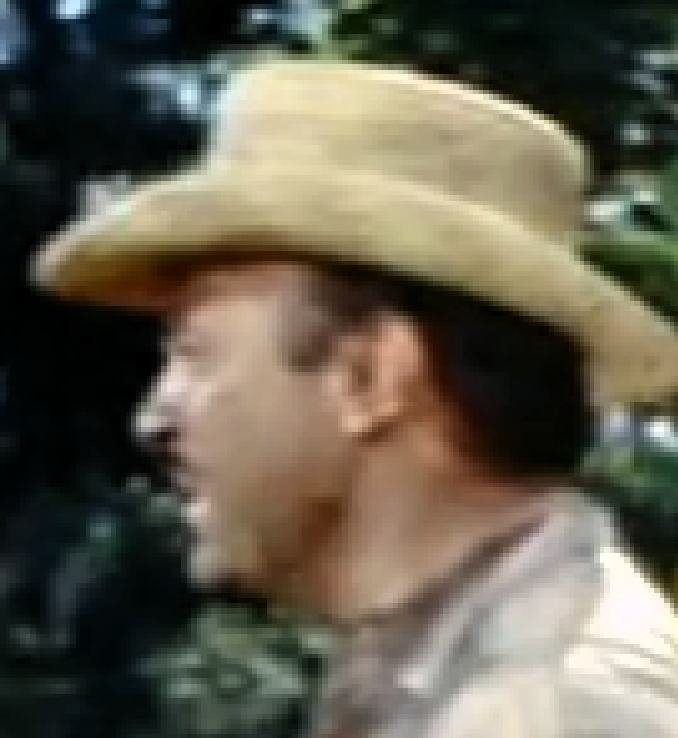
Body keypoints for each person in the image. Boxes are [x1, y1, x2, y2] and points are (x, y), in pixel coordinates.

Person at [32, 59, 678, 737]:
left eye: (197, 353)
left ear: (368, 377)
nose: (154, 418)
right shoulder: (441, 666)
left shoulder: (556, 708)